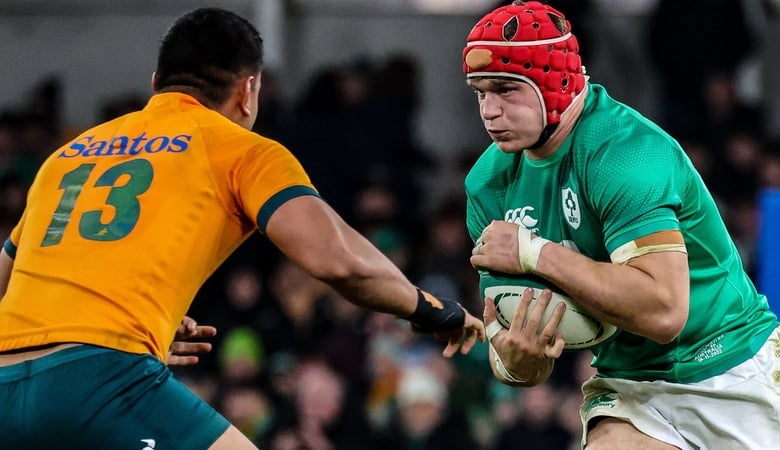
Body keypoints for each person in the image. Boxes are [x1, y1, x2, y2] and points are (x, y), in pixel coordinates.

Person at [0, 8, 485, 450]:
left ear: (156, 85)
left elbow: (10, 280)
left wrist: (138, 331)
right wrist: (429, 309)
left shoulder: (67, 157)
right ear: (247, 91)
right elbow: (338, 261)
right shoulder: (240, 149)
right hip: (102, 378)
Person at [463, 1, 780, 449]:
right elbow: (517, 352)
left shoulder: (625, 153)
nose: (489, 111)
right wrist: (518, 360)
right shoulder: (488, 185)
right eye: (481, 92)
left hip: (732, 370)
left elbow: (664, 312)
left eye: (506, 90)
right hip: (632, 384)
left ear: (555, 83)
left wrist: (535, 252)